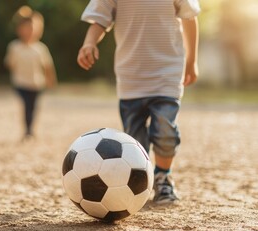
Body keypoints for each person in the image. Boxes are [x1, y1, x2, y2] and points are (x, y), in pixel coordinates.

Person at [77, 0, 200, 204]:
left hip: (167, 74)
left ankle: (162, 178)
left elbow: (190, 17)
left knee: (165, 129)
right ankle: (140, 182)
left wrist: (192, 60)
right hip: (131, 78)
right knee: (134, 141)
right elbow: (99, 19)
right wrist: (89, 43)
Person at [4, 6, 57, 140]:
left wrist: (51, 80)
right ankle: (28, 131)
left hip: (36, 83)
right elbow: (9, 63)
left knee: (32, 107)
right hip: (21, 83)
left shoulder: (40, 48)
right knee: (27, 106)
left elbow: (47, 66)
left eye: (32, 28)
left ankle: (30, 129)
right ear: (19, 30)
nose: (29, 31)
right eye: (26, 28)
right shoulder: (14, 47)